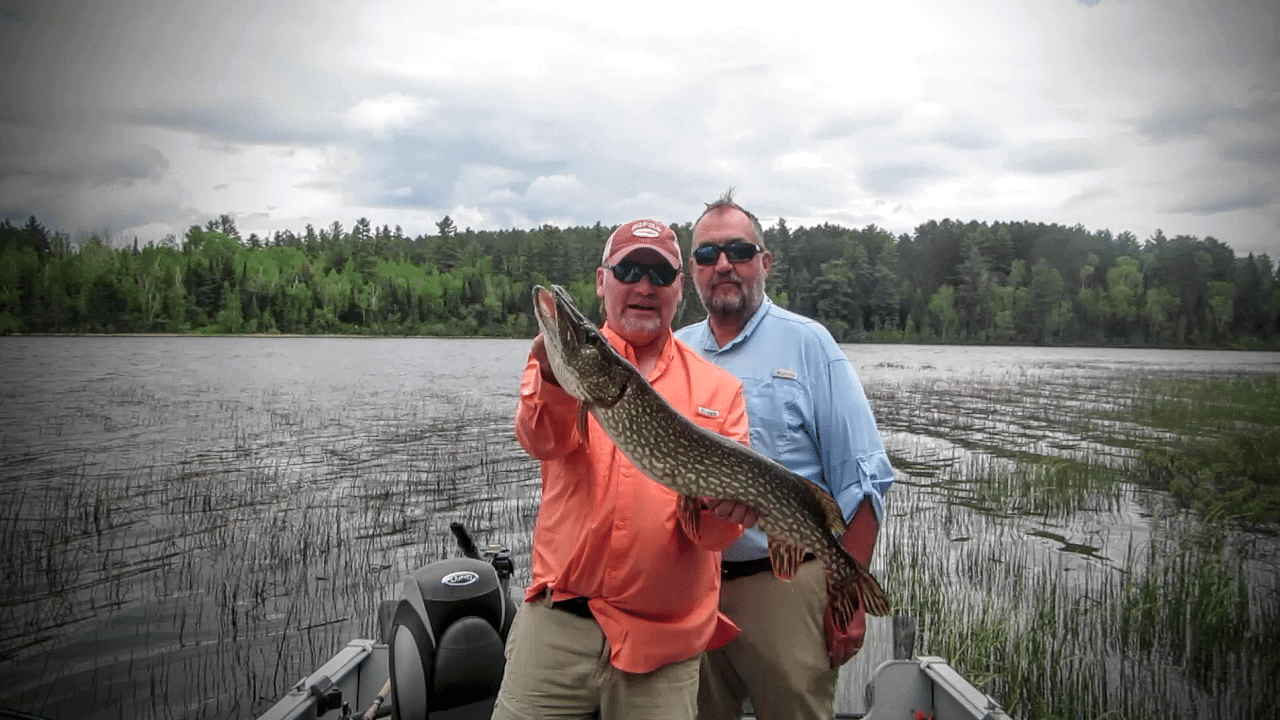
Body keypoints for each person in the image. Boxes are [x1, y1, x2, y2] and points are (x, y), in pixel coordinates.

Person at [493, 218, 757, 720]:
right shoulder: (561, 364)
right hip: (557, 625)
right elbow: (540, 440)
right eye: (629, 270)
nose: (644, 286)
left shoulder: (720, 390)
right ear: (602, 281)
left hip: (663, 644)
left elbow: (715, 537)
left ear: (679, 289)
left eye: (660, 274)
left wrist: (721, 509)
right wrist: (551, 375)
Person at [674, 191, 896, 720]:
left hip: (787, 587)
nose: (723, 264)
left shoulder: (809, 344)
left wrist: (848, 596)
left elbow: (865, 477)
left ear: (765, 262)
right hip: (693, 588)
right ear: (693, 270)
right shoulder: (674, 349)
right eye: (706, 254)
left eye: (739, 251)